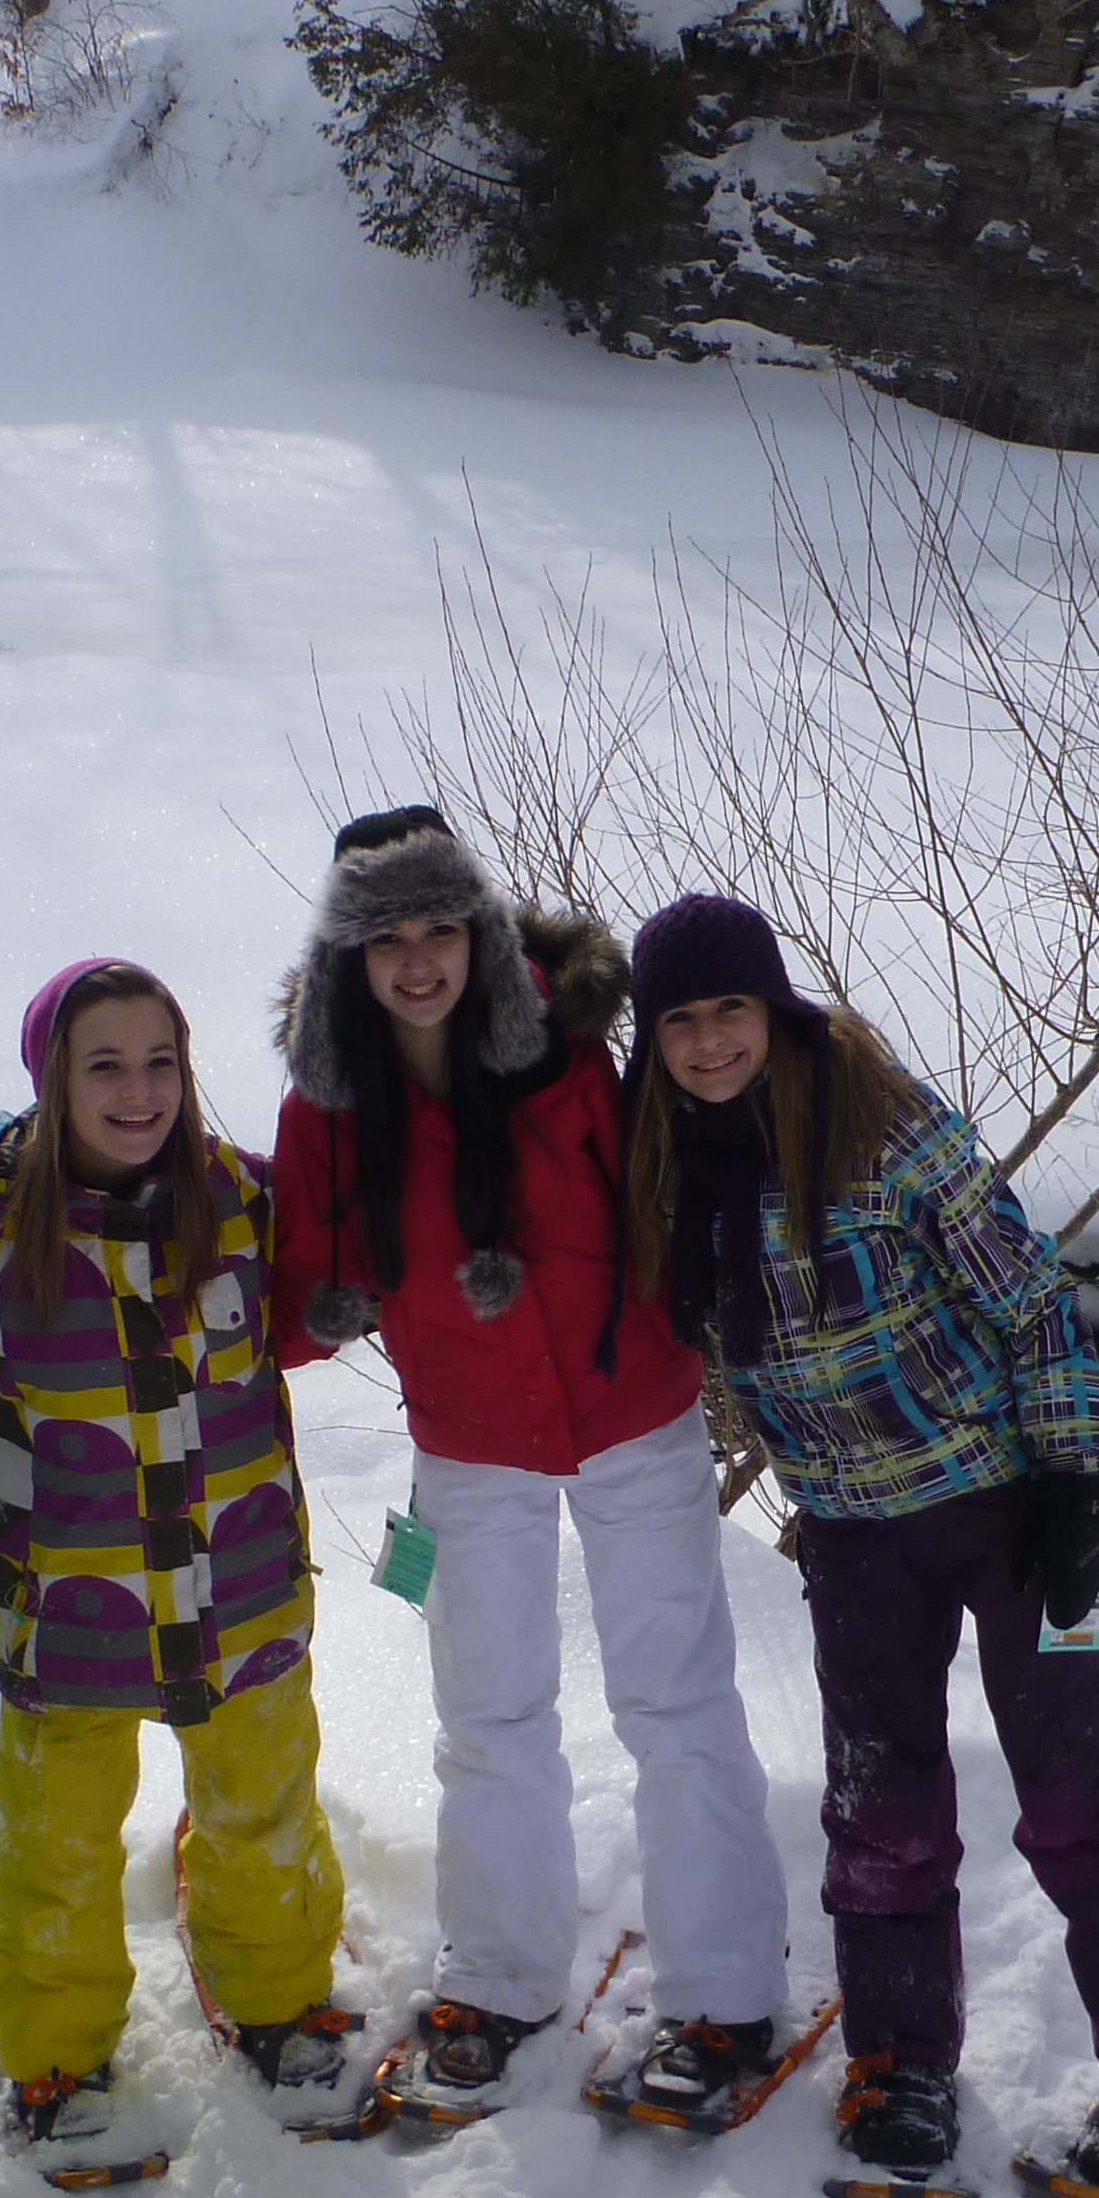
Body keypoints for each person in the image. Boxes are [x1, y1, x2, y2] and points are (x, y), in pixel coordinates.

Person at [617, 893, 1099, 2193]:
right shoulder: (669, 1165)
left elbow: (1034, 1302)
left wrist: (1078, 1488)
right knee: (880, 1813)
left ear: (773, 1008)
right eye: (679, 1022)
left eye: (731, 1010)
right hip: (853, 1536)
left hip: (1020, 1509)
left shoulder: (883, 1125)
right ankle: (901, 2062)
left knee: (1078, 1792)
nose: (710, 1042)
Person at [268, 808, 789, 2113]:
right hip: (471, 1446)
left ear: (478, 928)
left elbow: (670, 1179)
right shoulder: (329, 1105)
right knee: (490, 1722)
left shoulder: (565, 1047)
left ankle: (724, 1998)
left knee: (677, 1709)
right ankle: (499, 1982)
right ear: (349, 953)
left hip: (633, 1414)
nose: (416, 959)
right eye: (385, 936)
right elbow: (294, 1297)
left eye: (438, 925)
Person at [0, 960, 353, 2138]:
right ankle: (57, 2054)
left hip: (242, 1591)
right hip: (71, 1610)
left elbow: (340, 1267)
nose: (138, 1089)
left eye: (160, 1061)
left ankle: (277, 1999)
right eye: (103, 1064)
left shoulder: (241, 1201)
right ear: (51, 1080)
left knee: (262, 1814)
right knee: (55, 1843)